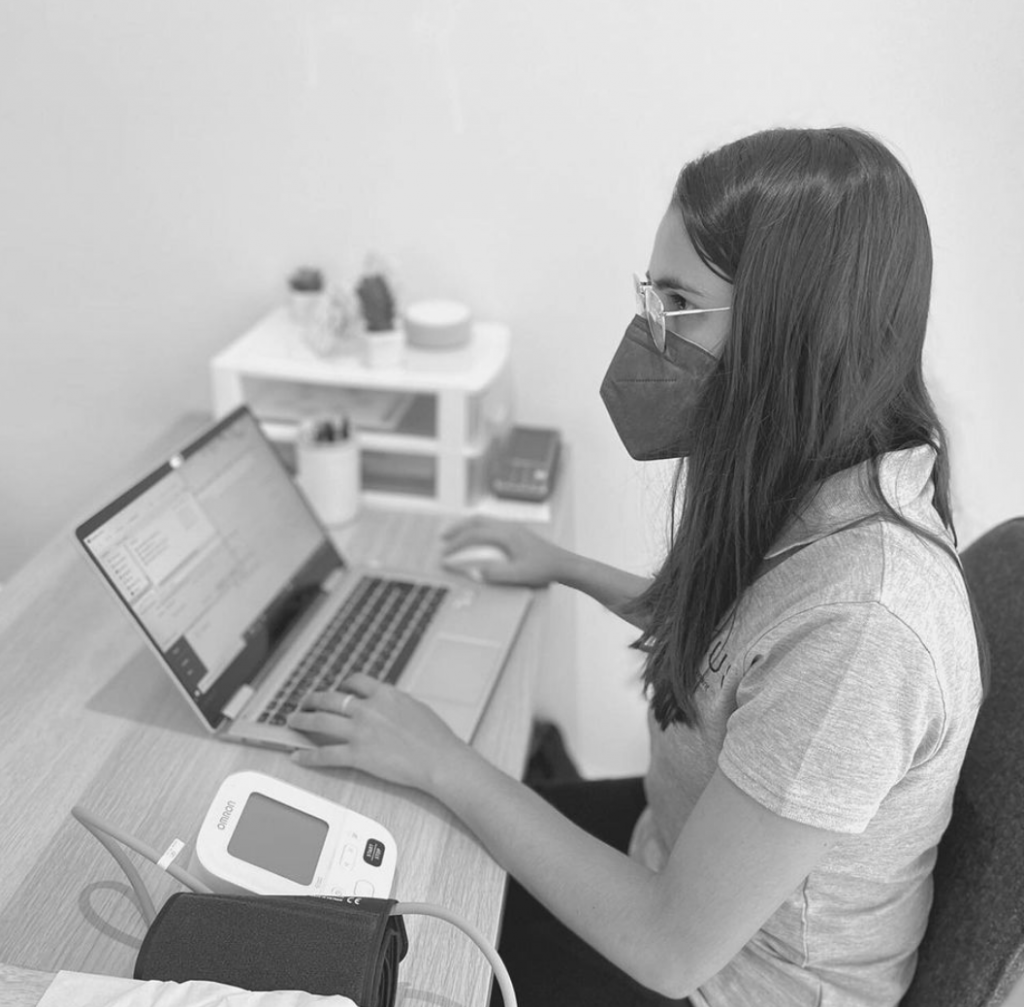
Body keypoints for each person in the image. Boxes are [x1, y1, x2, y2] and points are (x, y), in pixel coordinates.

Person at [288, 126, 987, 1007]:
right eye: (652, 293)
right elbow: (744, 647)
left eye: (679, 303)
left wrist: (445, 761)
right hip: (669, 853)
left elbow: (669, 948)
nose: (652, 331)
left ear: (796, 334)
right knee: (398, 860)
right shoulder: (824, 487)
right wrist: (563, 565)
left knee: (396, 944)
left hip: (726, 979)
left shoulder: (867, 626)